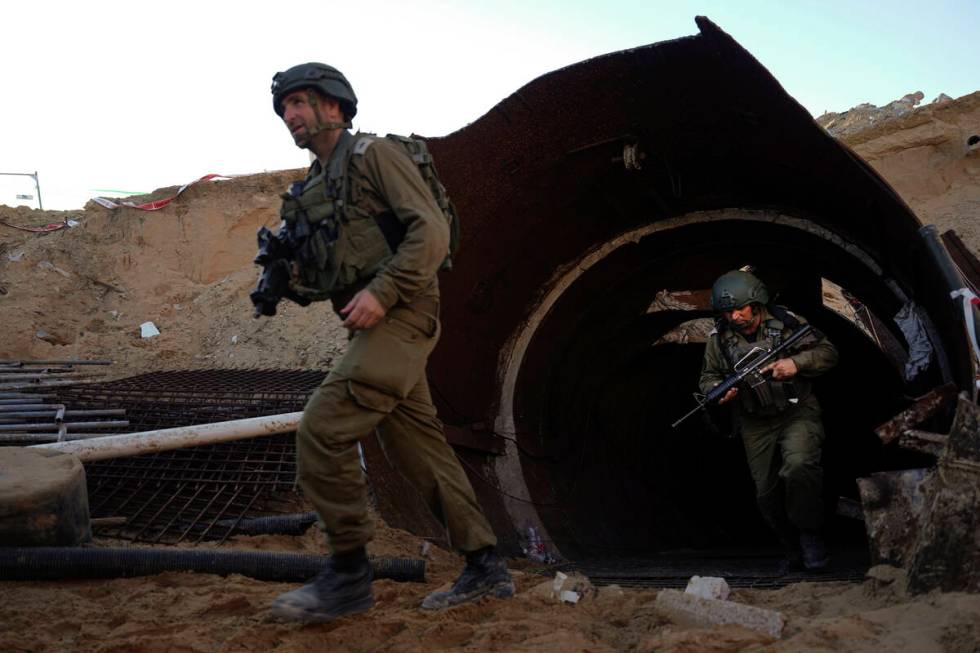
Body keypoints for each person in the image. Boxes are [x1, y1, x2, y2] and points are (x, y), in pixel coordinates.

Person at [265, 62, 514, 622]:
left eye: (300, 102)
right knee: (417, 450)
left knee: (322, 430)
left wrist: (384, 291)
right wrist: (292, 281)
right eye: (284, 108)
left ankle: (349, 575)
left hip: (403, 313)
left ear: (334, 105)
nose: (290, 115)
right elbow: (337, 271)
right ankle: (486, 566)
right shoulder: (314, 187)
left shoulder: (373, 155)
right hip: (374, 325)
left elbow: (430, 229)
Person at [699, 270, 838, 572]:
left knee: (799, 467)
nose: (734, 316)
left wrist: (795, 363)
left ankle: (809, 535)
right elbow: (708, 377)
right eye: (727, 311)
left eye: (740, 309)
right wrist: (716, 392)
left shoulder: (786, 324)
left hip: (796, 411)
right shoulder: (719, 340)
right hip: (754, 422)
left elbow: (828, 352)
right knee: (766, 492)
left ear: (756, 303)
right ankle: (790, 547)